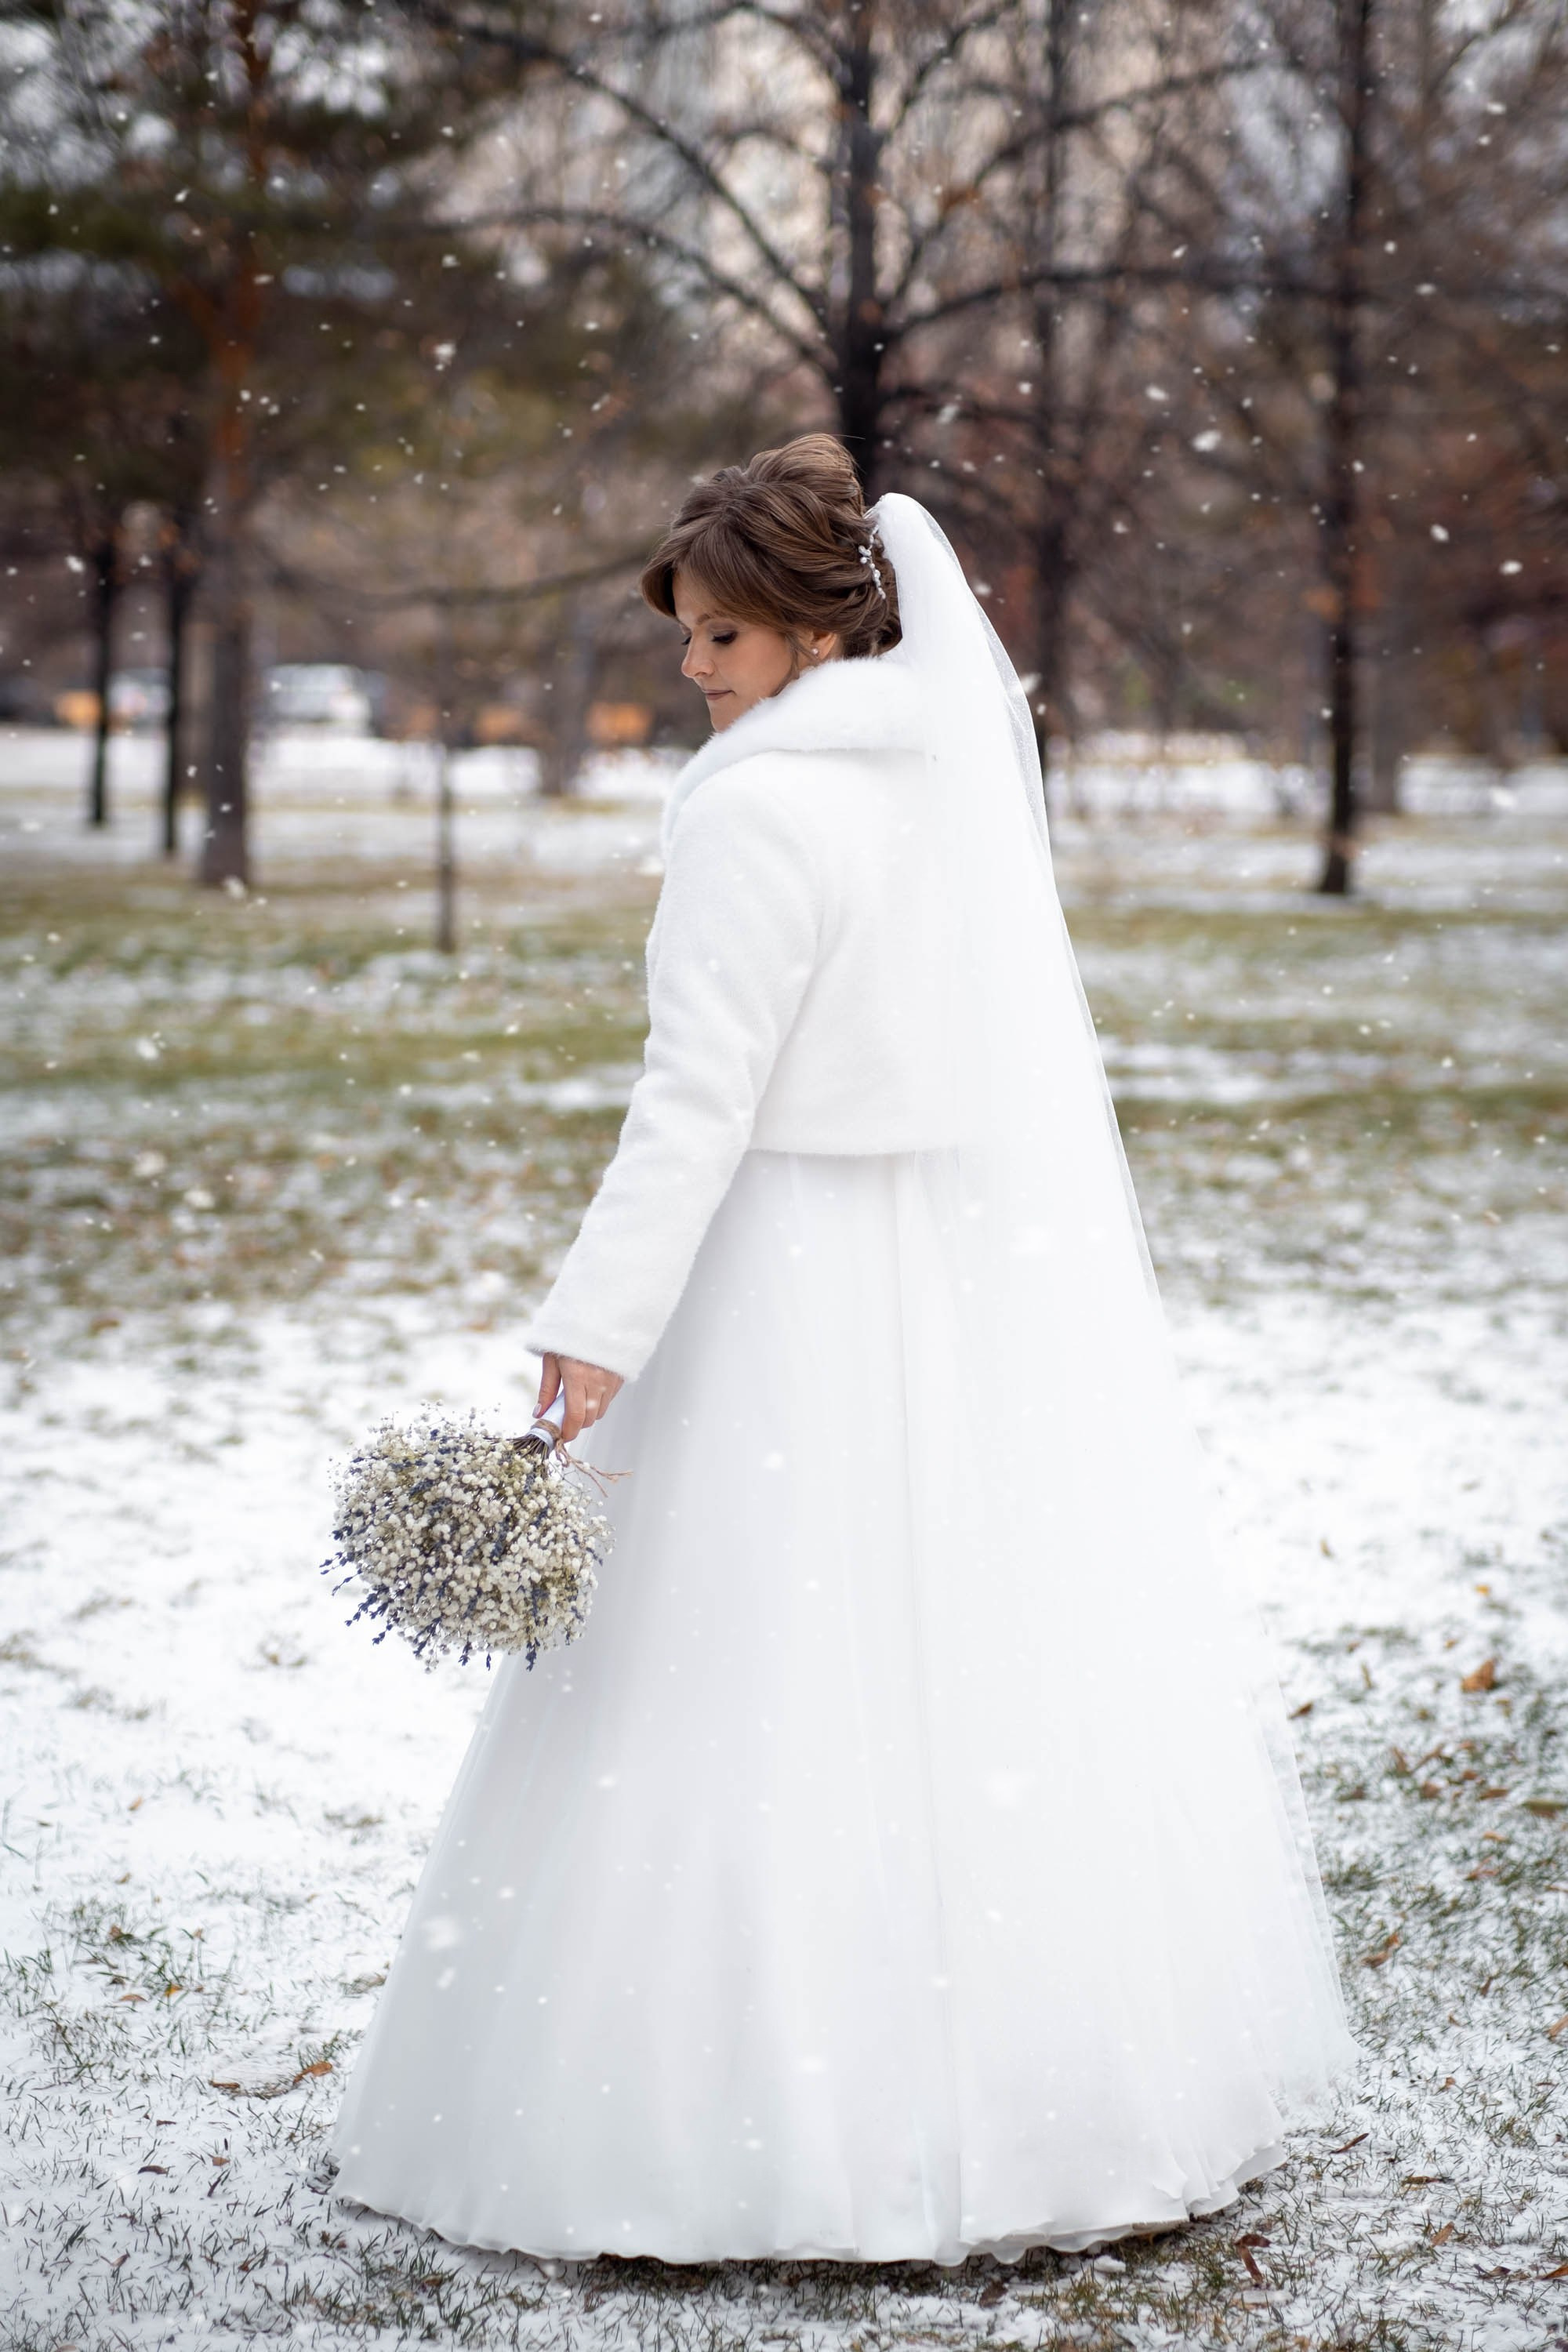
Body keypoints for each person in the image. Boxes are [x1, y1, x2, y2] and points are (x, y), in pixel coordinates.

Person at [330, 434, 1352, 2264]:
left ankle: (708, 2127)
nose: (695, 672)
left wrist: (593, 1327)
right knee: (963, 1664)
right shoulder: (934, 786)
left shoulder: (752, 811)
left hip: (782, 1274)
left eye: (722, 639)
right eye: (688, 638)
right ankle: (1049, 2103)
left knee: (732, 1665)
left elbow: (693, 1105)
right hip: (950, 1272)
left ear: (813, 635)